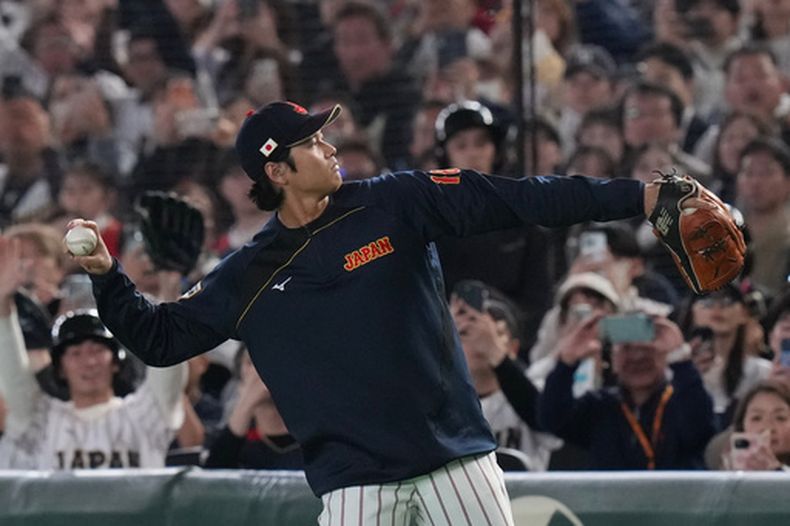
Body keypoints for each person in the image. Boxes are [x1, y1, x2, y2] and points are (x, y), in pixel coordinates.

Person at [71, 100, 687, 525]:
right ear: (277, 170)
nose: (329, 145)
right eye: (311, 142)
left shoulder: (397, 201)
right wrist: (106, 274)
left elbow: (525, 199)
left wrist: (641, 195)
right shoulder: (248, 274)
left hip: (454, 459)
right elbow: (156, 339)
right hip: (354, 483)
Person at [0, 235, 187, 469]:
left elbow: (167, 362)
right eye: (75, 353)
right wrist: (2, 303)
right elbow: (15, 379)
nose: (89, 362)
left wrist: (170, 291)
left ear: (116, 362)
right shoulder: (41, 421)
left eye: (97, 350)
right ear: (60, 368)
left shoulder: (143, 415)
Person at [538, 307, 716, 469]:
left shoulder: (682, 401)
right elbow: (552, 419)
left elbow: (701, 430)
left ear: (664, 354)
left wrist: (680, 361)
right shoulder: (599, 406)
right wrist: (566, 363)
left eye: (647, 350)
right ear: (613, 359)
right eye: (627, 349)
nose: (637, 357)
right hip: (611, 502)